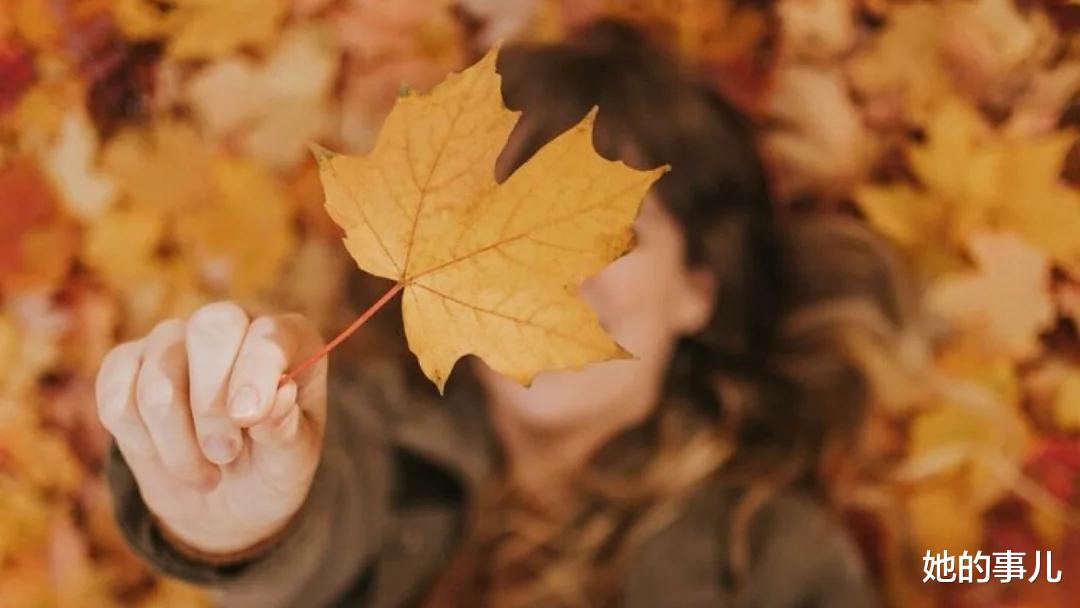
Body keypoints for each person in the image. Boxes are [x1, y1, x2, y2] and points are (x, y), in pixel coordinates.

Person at [98, 19, 916, 608]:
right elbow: (314, 537)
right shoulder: (369, 443)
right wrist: (244, 528)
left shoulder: (778, 561)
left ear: (699, 289)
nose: (548, 281)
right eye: (504, 236)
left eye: (611, 240)